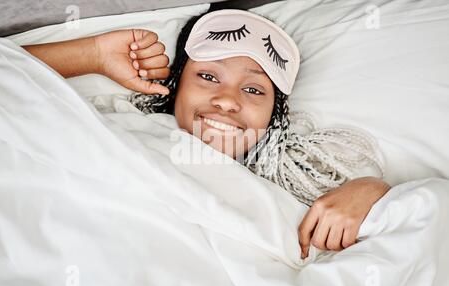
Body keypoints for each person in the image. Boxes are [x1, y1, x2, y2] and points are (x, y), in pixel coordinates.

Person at [22, 8, 391, 259]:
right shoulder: (117, 127)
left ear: (274, 119)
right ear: (176, 85)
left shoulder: (284, 196)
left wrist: (374, 193)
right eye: (208, 77)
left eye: (253, 90)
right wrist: (93, 53)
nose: (227, 101)